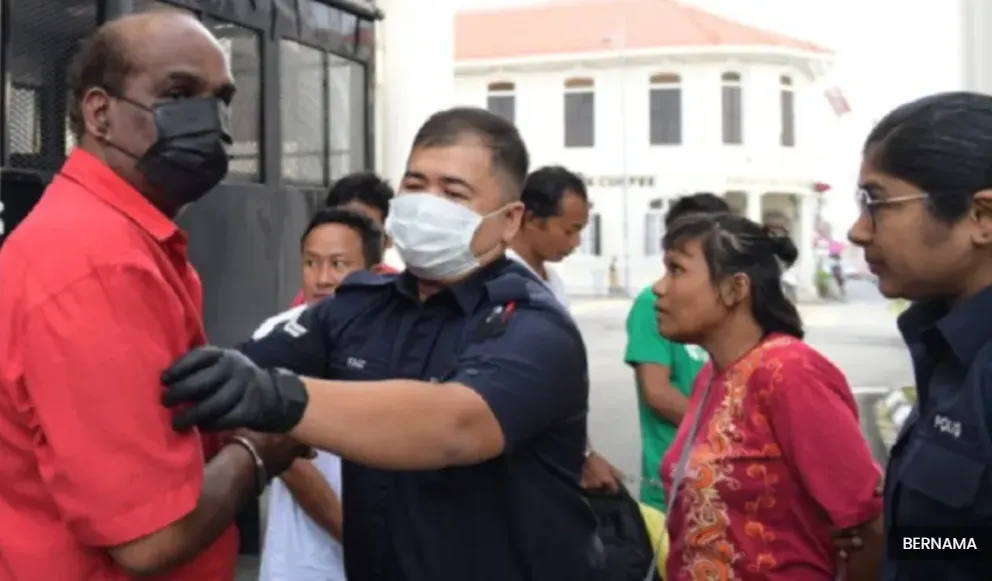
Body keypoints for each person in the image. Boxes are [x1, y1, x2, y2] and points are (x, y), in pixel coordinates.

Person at [159, 107, 604, 581]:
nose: (427, 204)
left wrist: (279, 398)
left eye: (453, 193)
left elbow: (455, 425)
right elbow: (232, 373)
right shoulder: (359, 306)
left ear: (511, 219)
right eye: (415, 186)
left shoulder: (533, 326)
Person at [0, 11, 307, 581]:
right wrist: (263, 445)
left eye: (221, 98)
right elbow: (149, 540)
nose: (210, 120)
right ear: (100, 113)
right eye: (179, 93)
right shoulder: (98, 261)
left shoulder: (116, 237)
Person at [656, 212, 884, 580]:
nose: (659, 287)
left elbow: (868, 523)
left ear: (735, 288)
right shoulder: (710, 376)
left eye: (676, 270)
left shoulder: (790, 372)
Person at [843, 92, 992, 581]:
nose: (858, 231)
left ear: (981, 218)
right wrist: (897, 537)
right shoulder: (947, 346)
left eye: (878, 203)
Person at [257, 207, 383, 581]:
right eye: (310, 263)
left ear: (374, 273)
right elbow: (290, 461)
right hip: (302, 565)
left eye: (338, 264)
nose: (321, 279)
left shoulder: (398, 343)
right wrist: (364, 543)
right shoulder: (276, 338)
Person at [509, 164, 620, 491]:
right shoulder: (503, 283)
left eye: (581, 230)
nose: (575, 242)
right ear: (529, 219)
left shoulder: (552, 282)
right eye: (569, 230)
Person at [625, 192, 728, 512]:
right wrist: (730, 433)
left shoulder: (734, 305)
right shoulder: (652, 304)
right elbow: (657, 393)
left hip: (729, 486)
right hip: (673, 490)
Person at [290, 172, 397, 306]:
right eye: (311, 263)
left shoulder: (401, 299)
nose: (324, 279)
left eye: (367, 226)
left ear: (389, 239)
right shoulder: (307, 299)